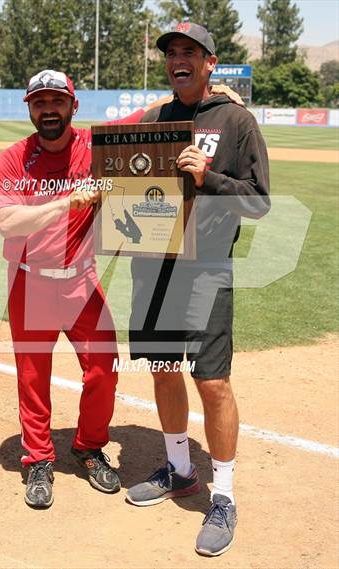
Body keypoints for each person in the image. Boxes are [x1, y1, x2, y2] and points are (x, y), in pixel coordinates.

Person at [126, 23, 271, 557]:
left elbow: (258, 201)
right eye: (171, 53)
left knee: (212, 382)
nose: (178, 59)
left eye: (190, 52)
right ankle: (181, 469)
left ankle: (225, 495)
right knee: (161, 369)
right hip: (154, 265)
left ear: (211, 62)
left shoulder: (236, 120)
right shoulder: (152, 120)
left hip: (207, 268)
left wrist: (209, 177)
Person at [0, 69, 161, 509]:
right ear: (29, 108)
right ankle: (38, 458)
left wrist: (207, 91)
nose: (49, 109)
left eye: (57, 101)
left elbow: (149, 115)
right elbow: (7, 221)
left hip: (81, 280)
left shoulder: (93, 146)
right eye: (40, 102)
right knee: (33, 377)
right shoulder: (14, 159)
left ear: (73, 106)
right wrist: (68, 201)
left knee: (104, 367)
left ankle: (87, 446)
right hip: (29, 280)